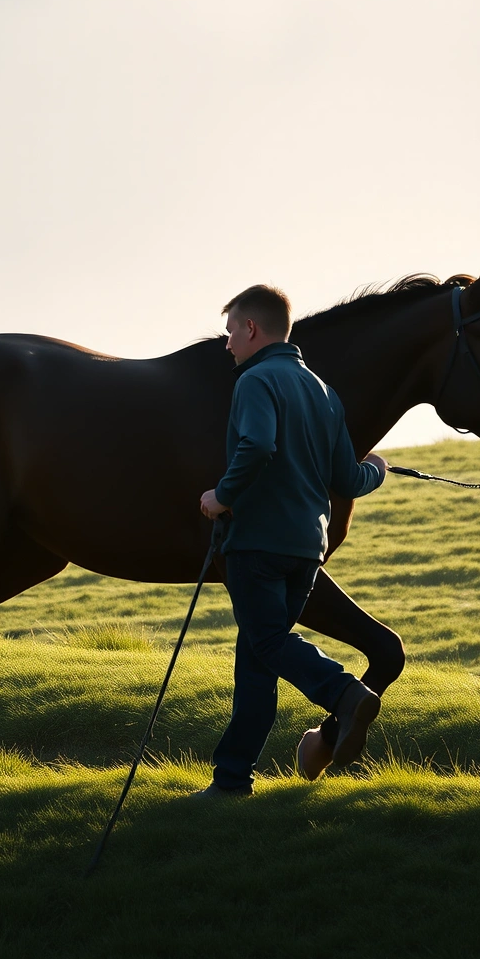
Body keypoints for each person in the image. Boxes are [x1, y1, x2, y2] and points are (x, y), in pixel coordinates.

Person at [197, 284, 388, 795]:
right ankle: (232, 779)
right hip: (307, 549)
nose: (228, 342)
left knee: (266, 643)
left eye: (232, 329)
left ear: (252, 328)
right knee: (257, 663)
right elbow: (348, 480)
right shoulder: (324, 392)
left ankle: (346, 694)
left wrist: (223, 495)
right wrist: (379, 472)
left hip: (257, 543)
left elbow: (257, 445)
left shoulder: (255, 380)